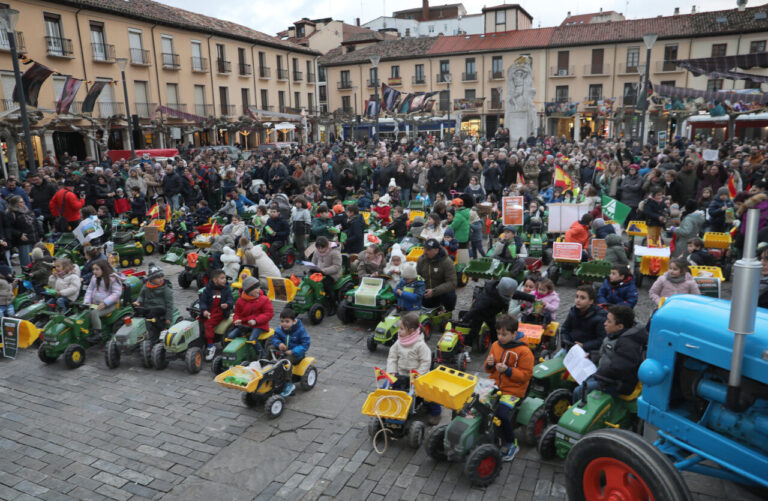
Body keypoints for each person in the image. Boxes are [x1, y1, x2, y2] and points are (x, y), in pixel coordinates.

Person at [572, 305, 648, 403]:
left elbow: (620, 368)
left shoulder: (628, 344)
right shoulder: (617, 335)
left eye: (609, 321)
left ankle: (578, 414)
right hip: (606, 376)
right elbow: (609, 354)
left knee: (579, 391)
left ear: (620, 326)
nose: (604, 323)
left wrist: (598, 375)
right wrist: (592, 355)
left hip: (617, 383)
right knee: (579, 382)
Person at [484, 314, 533, 462]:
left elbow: (525, 376)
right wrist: (490, 364)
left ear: (514, 333)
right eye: (498, 333)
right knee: (477, 405)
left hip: (513, 390)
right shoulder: (495, 346)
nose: (500, 337)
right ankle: (486, 433)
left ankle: (512, 442)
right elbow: (487, 369)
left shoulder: (524, 352)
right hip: (494, 385)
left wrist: (508, 371)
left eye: (504, 334)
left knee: (502, 414)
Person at [386, 311, 441, 425]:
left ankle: (436, 412)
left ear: (411, 331)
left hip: (417, 376)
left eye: (401, 329)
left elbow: (426, 362)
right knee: (385, 388)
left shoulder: (420, 345)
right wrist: (391, 371)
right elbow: (392, 357)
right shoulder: (399, 342)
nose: (398, 331)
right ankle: (387, 407)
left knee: (429, 392)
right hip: (401, 374)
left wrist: (418, 374)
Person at [462, 277, 535, 347]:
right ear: (505, 292)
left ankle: (497, 345)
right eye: (511, 292)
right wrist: (464, 318)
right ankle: (466, 346)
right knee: (474, 331)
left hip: (491, 314)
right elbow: (475, 309)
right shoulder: (486, 298)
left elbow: (517, 294)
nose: (513, 294)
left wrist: (532, 298)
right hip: (479, 314)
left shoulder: (502, 291)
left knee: (495, 330)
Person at [271, 307, 311, 397]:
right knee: (271, 348)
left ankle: (288, 383)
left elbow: (305, 344)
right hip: (283, 351)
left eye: (287, 321)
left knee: (286, 362)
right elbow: (274, 338)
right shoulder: (280, 329)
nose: (284, 324)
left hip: (296, 354)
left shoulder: (300, 330)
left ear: (293, 321)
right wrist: (279, 343)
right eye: (282, 321)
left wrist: (293, 351)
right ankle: (267, 368)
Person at [83, 260, 123, 344]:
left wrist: (105, 302)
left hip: (110, 305)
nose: (94, 271)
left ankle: (98, 334)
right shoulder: (94, 278)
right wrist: (86, 302)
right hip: (96, 303)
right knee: (84, 313)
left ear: (104, 269)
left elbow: (117, 293)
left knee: (94, 313)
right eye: (93, 269)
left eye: (97, 269)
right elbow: (89, 290)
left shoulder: (112, 279)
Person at [231, 276, 274, 353]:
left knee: (252, 339)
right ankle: (234, 354)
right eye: (256, 288)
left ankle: (262, 355)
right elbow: (237, 313)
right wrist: (236, 320)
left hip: (259, 325)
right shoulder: (240, 300)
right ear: (248, 290)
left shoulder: (264, 299)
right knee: (230, 336)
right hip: (244, 324)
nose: (259, 290)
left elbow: (269, 313)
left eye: (259, 287)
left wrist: (255, 321)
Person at [133, 263, 174, 344]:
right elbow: (141, 296)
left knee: (152, 314)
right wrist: (138, 302)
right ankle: (136, 332)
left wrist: (168, 318)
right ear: (151, 279)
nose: (161, 279)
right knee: (136, 312)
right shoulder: (146, 286)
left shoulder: (165, 288)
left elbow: (170, 303)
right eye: (158, 277)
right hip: (148, 306)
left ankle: (162, 330)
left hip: (160, 307)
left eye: (162, 276)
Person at [199, 269, 235, 361]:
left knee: (209, 324)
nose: (224, 280)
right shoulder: (208, 289)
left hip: (220, 312)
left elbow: (230, 300)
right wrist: (204, 310)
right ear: (215, 280)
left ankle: (211, 346)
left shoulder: (226, 289)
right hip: (210, 311)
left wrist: (227, 304)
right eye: (222, 278)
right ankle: (202, 341)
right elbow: (203, 301)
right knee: (199, 322)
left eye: (225, 278)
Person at [561, 285, 607, 352]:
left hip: (588, 352)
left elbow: (601, 340)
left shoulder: (600, 317)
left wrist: (584, 346)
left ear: (591, 301)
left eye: (582, 298)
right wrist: (566, 341)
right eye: (577, 297)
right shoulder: (573, 311)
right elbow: (565, 329)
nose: (578, 300)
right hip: (571, 347)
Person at [416, 238, 458, 311]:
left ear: (436, 250)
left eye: (428, 250)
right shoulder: (421, 260)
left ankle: (448, 311)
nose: (425, 252)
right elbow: (417, 276)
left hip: (440, 292)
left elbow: (452, 283)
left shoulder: (447, 262)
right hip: (427, 292)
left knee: (450, 295)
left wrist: (434, 291)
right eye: (424, 249)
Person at [7, 195, 41, 268]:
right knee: (26, 263)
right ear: (15, 204)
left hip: (34, 238)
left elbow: (35, 222)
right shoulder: (11, 214)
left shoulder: (27, 210)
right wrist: (19, 234)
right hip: (24, 241)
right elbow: (9, 228)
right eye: (21, 202)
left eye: (23, 201)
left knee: (37, 261)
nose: (23, 203)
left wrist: (40, 233)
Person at [310, 237, 342, 311]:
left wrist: (325, 270)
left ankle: (332, 305)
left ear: (328, 245)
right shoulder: (316, 251)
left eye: (322, 248)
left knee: (325, 285)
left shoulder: (334, 252)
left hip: (332, 273)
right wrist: (311, 268)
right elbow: (313, 262)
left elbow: (337, 266)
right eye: (318, 248)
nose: (320, 250)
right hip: (319, 271)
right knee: (309, 281)